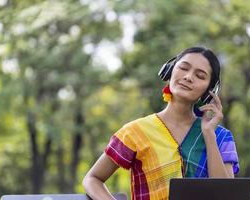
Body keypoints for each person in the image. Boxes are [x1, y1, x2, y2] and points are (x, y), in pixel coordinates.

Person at [82, 47, 239, 200]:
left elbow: (225, 196)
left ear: (209, 90)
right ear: (169, 72)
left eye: (200, 76)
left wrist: (209, 135)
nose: (188, 77)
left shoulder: (220, 136)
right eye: (183, 68)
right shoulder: (135, 132)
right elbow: (92, 178)